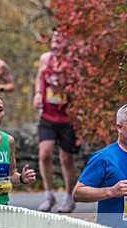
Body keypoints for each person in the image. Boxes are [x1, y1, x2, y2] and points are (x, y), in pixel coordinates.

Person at [33, 30, 79, 213]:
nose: (56, 43)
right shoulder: (45, 59)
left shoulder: (72, 63)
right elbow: (39, 77)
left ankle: (68, 196)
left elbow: (80, 87)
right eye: (54, 39)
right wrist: (37, 93)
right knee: (44, 153)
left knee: (66, 158)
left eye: (60, 39)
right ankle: (49, 194)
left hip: (67, 117)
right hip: (47, 115)